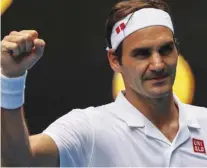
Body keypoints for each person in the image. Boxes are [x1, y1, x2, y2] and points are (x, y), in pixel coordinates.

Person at [1, 0, 207, 167]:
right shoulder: (88, 129)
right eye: (142, 54)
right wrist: (11, 79)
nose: (158, 64)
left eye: (165, 49)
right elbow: (20, 162)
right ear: (114, 60)